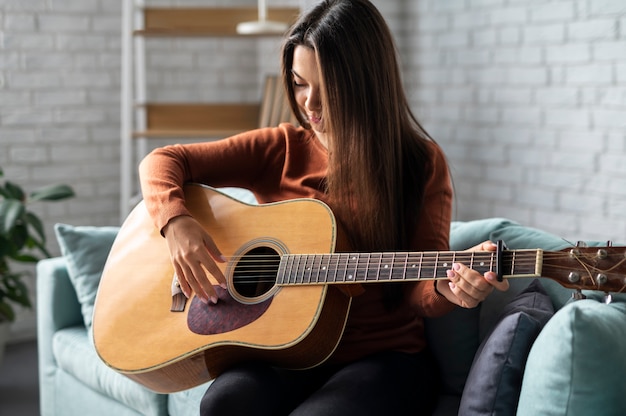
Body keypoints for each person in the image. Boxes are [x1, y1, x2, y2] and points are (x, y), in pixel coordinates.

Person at [139, 0, 509, 414]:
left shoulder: (418, 163)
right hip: (285, 351)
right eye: (299, 84)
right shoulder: (279, 148)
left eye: (326, 86)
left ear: (366, 83)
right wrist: (176, 223)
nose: (309, 105)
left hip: (383, 360)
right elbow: (163, 161)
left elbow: (418, 288)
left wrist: (450, 287)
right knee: (223, 404)